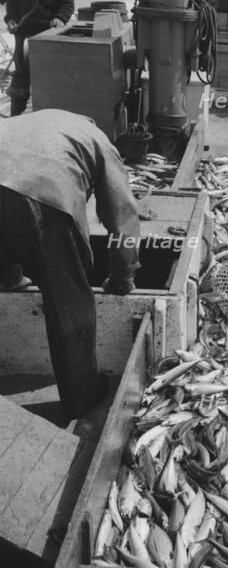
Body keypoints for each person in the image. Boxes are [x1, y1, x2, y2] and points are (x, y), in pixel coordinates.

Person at [0, 110, 141, 420]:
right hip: (43, 193)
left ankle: (8, 280)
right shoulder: (99, 142)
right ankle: (82, 397)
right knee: (69, 299)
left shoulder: (33, 122)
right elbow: (124, 220)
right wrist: (121, 277)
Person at [1, 0, 74, 116]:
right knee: (20, 76)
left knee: (46, 79)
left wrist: (60, 18)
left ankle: (43, 119)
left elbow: (67, 4)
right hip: (22, 32)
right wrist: (10, 20)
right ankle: (16, 118)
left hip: (45, 36)